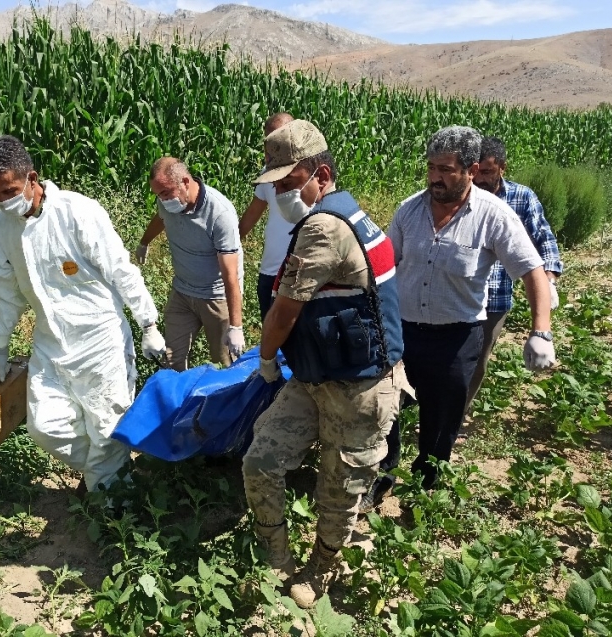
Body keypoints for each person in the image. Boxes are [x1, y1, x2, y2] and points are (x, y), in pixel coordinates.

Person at [241, 120, 409, 608]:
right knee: (261, 460)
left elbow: (285, 310)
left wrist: (266, 358)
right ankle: (276, 556)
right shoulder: (348, 212)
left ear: (322, 174)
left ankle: (320, 570)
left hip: (357, 390)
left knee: (338, 489)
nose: (284, 195)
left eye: (291, 184)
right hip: (319, 378)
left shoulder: (324, 226)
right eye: (278, 187)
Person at [363, 126, 555, 506]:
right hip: (404, 331)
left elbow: (533, 270)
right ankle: (381, 478)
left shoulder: (493, 215)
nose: (435, 177)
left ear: (471, 168)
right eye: (431, 167)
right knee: (386, 409)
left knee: (441, 417)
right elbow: (386, 267)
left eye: (446, 169)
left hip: (457, 337)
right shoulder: (409, 209)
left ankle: (426, 486)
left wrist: (541, 331)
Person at [0, 135, 166, 493]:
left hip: (101, 340)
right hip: (50, 344)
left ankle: (113, 507)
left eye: (9, 190)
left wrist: (148, 323)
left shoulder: (77, 212)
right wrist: (0, 347)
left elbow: (120, 269)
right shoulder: (1, 231)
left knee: (107, 426)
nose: (3, 202)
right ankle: (110, 472)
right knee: (45, 427)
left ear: (32, 178)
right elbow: (8, 297)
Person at [466, 136, 563, 412]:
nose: (480, 179)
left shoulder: (521, 198)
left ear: (502, 168)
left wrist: (549, 278)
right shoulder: (464, 196)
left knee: (477, 364)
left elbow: (544, 239)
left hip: (495, 300)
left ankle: (453, 420)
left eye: (488, 171)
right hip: (459, 294)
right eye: (476, 171)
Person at [136, 158, 244, 371]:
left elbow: (230, 274)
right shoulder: (167, 203)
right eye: (158, 195)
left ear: (185, 181)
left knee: (225, 363)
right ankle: (176, 402)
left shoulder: (219, 213)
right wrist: (144, 242)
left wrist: (236, 326)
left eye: (165, 193)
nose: (162, 200)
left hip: (216, 297)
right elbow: (160, 217)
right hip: (182, 293)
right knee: (171, 361)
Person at [238, 112, 297, 321]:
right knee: (270, 332)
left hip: (298, 272)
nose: (273, 146)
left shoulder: (308, 173)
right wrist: (229, 244)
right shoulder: (268, 172)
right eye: (269, 140)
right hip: (270, 271)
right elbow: (254, 211)